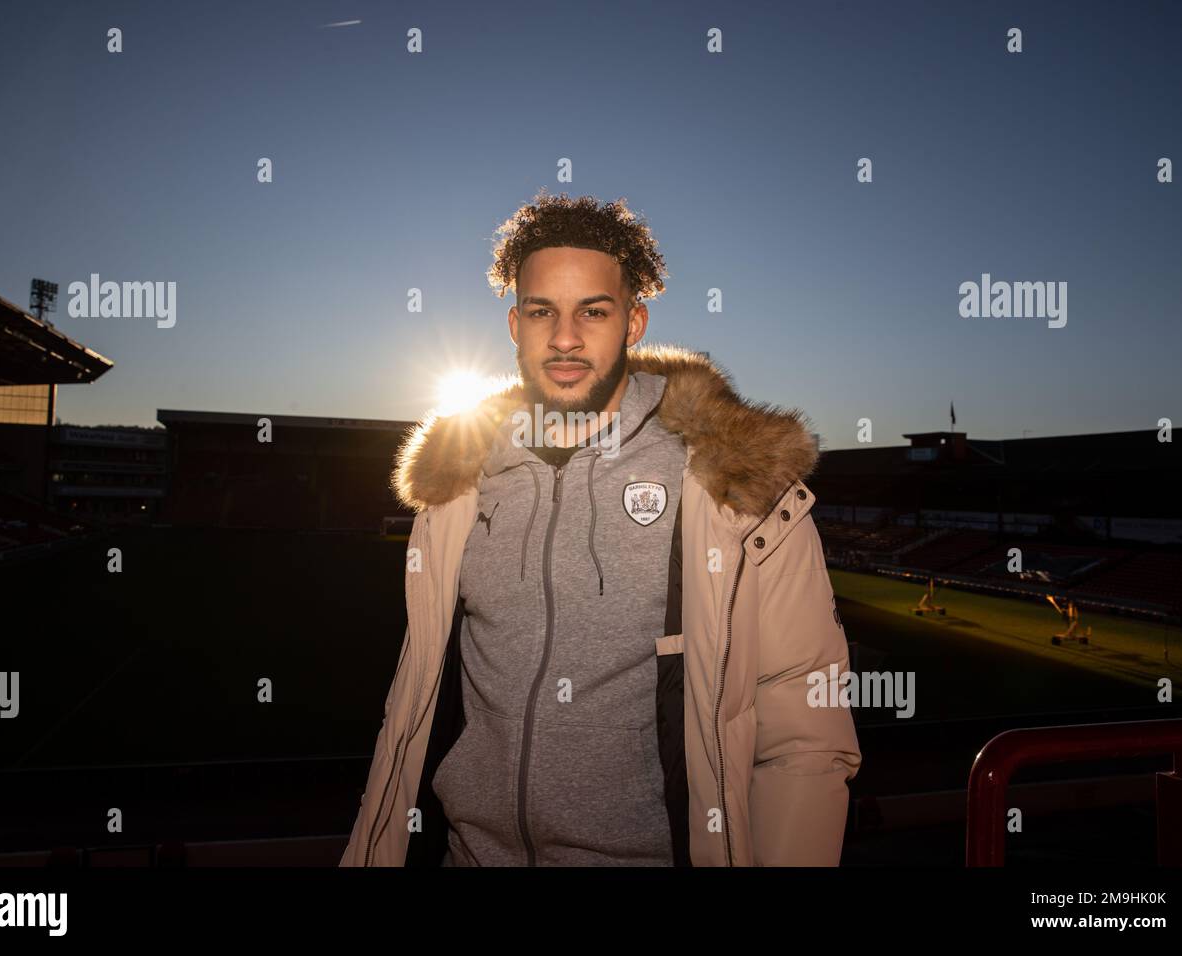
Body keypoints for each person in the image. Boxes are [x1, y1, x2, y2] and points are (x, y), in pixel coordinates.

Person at [341, 190, 861, 866]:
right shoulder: (458, 487)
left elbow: (806, 739)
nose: (564, 338)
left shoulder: (733, 485)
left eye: (593, 310)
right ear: (513, 324)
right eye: (541, 312)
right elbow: (409, 712)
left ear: (634, 321)